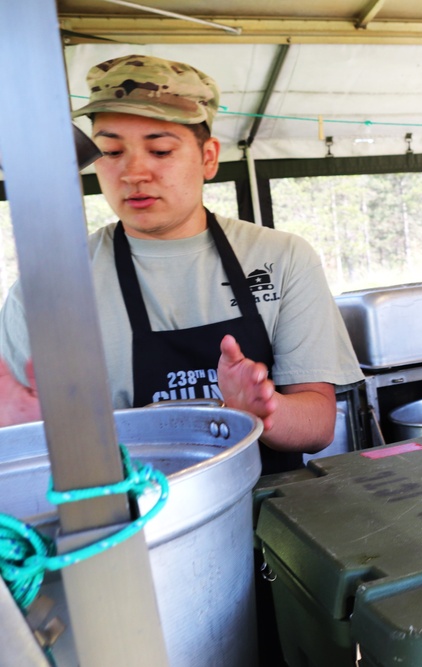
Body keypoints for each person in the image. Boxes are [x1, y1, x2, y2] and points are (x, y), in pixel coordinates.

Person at [0, 54, 364, 474]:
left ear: (208, 158)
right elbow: (20, 438)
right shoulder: (50, 287)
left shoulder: (281, 258)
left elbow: (317, 424)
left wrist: (265, 412)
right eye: (111, 151)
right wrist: (21, 435)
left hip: (273, 518)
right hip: (129, 528)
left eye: (159, 150)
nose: (133, 172)